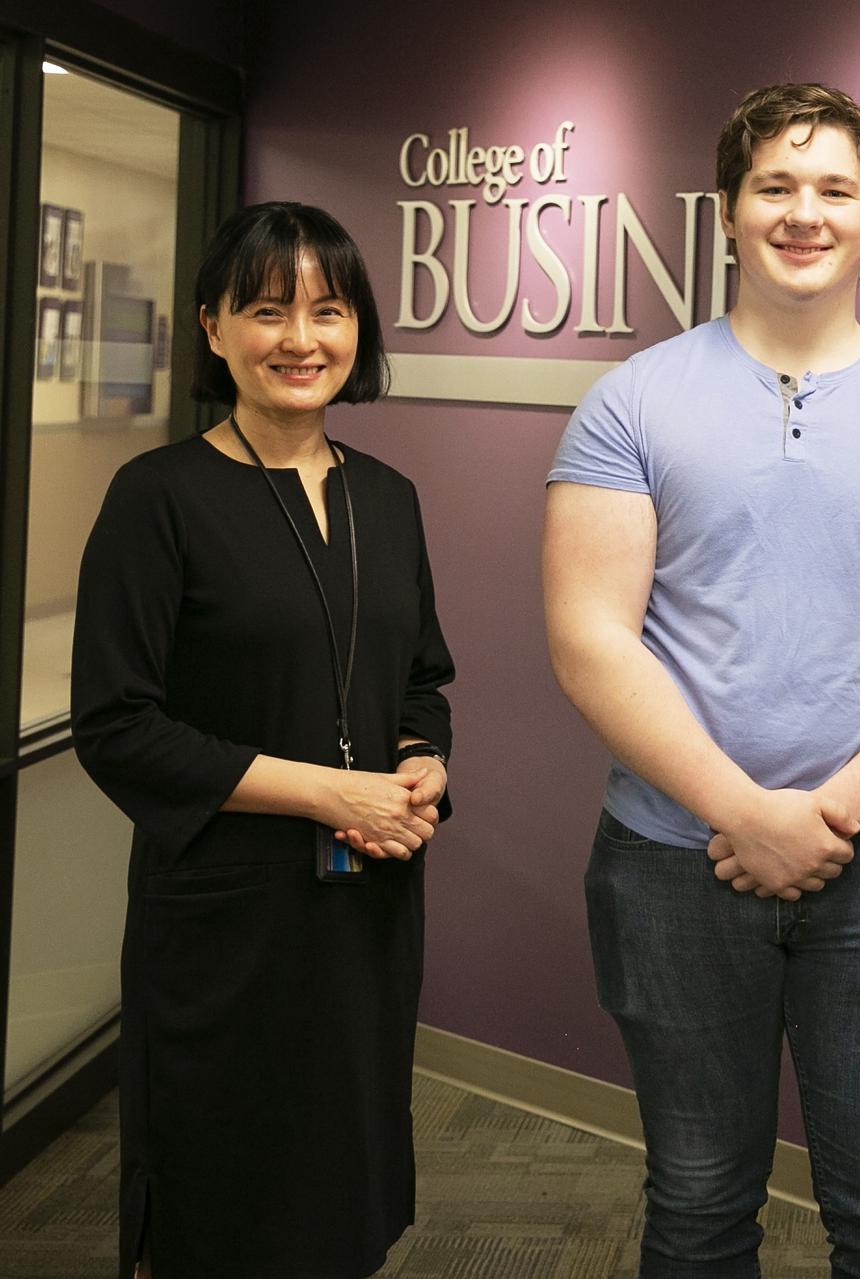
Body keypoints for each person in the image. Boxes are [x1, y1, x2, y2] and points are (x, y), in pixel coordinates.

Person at [543, 83, 860, 1277]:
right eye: (775, 187)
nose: (803, 213)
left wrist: (827, 815)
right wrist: (743, 810)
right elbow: (591, 640)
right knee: (698, 1204)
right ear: (727, 212)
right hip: (671, 861)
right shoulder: (630, 404)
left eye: (834, 191)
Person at [72, 201, 455, 1278]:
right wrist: (333, 795)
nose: (301, 339)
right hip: (224, 918)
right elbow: (118, 726)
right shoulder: (158, 499)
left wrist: (424, 764)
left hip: (366, 910)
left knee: (343, 1182)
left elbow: (422, 679)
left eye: (328, 310)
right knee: (222, 1194)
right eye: (267, 309)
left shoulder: (391, 498)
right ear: (212, 328)